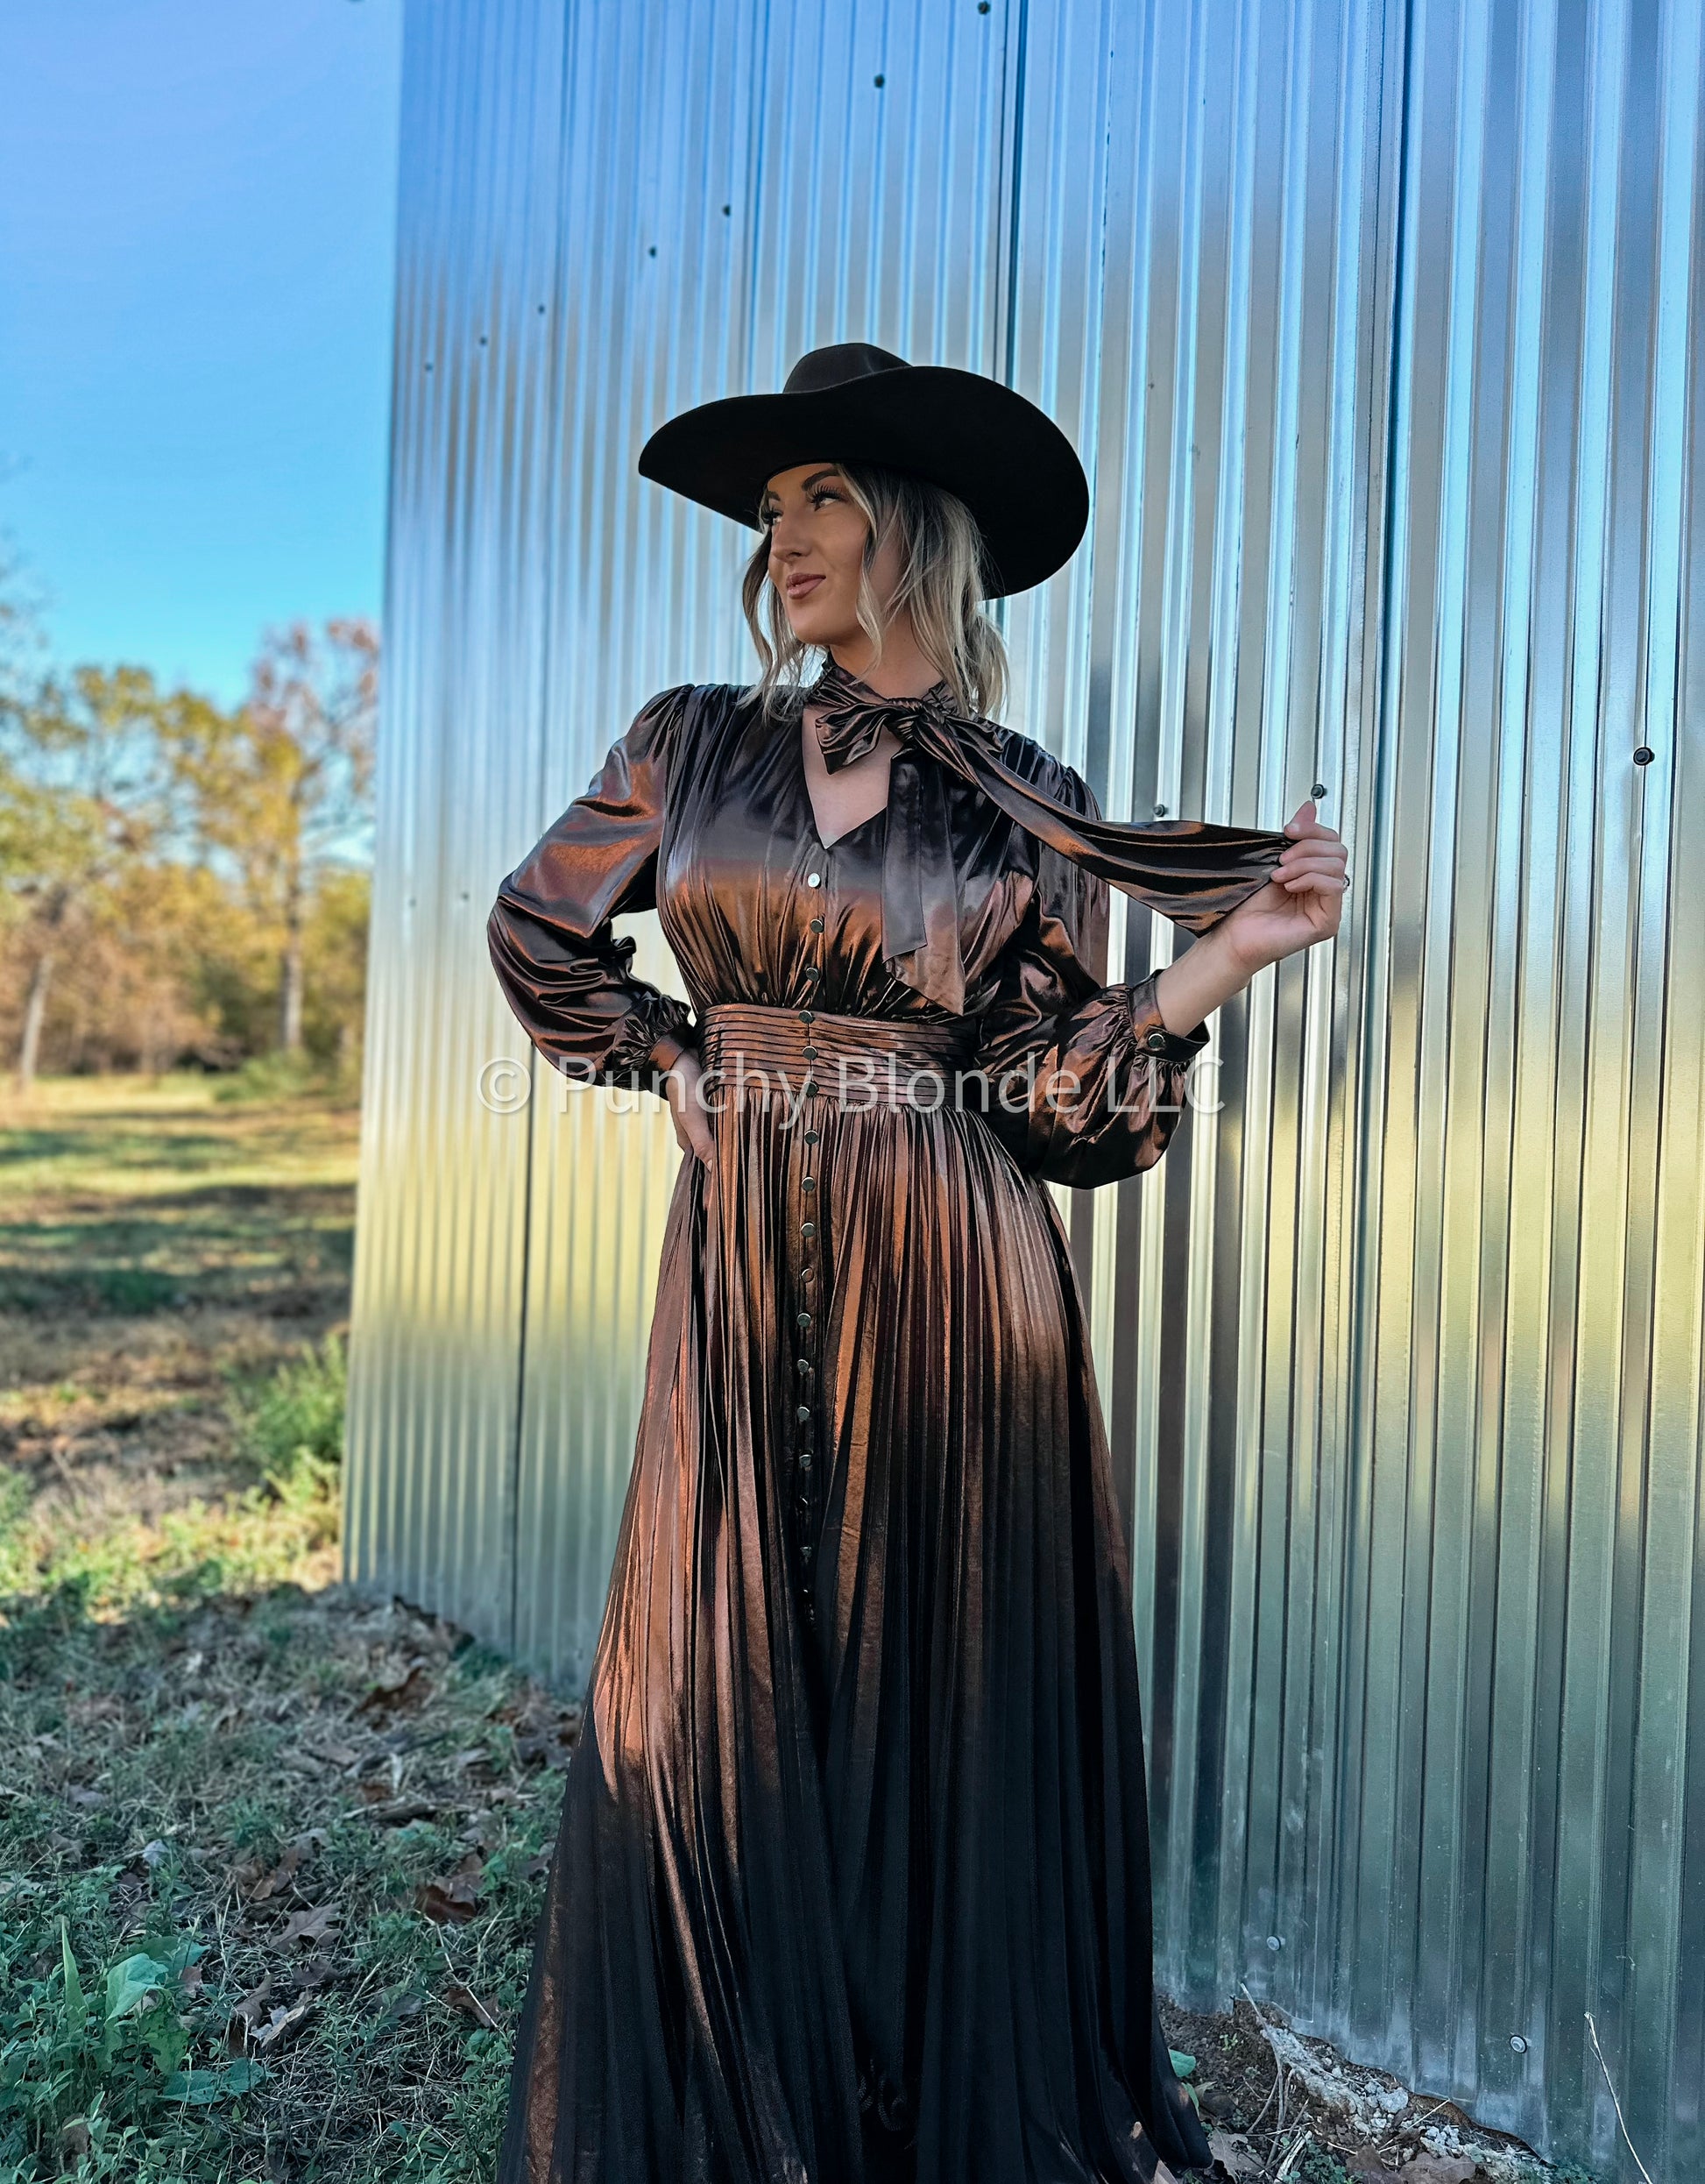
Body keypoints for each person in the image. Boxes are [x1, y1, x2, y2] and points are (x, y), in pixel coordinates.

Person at [486, 343, 1348, 2184]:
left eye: (825, 496)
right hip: (740, 1260)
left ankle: (924, 2106)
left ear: (918, 528)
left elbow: (1056, 1105)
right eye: (771, 507)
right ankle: (751, 2093)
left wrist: (1222, 960)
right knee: (712, 1666)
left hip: (954, 1272)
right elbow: (537, 929)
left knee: (933, 1675)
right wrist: (665, 1051)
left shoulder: (1028, 797)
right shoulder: (686, 741)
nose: (784, 536)